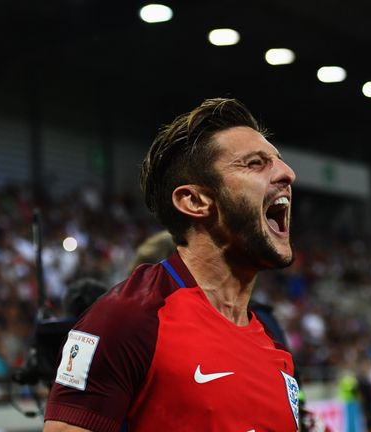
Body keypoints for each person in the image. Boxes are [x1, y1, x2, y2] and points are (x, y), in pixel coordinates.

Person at [44, 98, 299, 431]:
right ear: (195, 201)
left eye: (278, 160)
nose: (287, 173)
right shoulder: (130, 319)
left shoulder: (275, 349)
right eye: (255, 163)